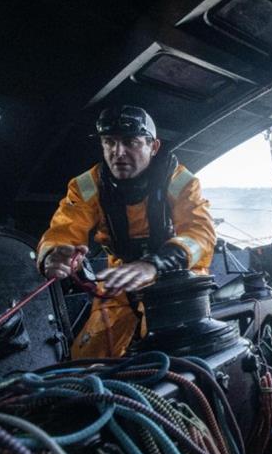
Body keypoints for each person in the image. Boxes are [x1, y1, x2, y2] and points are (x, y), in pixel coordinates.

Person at [37, 106, 216, 358]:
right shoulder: (86, 185)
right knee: (86, 358)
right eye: (109, 142)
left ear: (153, 147)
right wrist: (53, 254)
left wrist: (153, 265)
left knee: (167, 352)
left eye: (130, 142)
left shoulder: (180, 181)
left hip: (177, 282)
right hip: (120, 280)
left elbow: (201, 235)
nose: (117, 153)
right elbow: (64, 229)